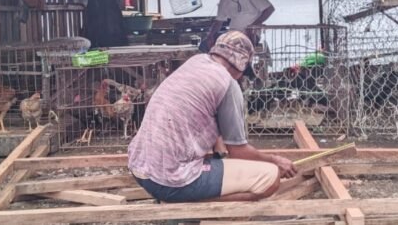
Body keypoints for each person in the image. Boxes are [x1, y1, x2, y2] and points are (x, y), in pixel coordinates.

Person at [127, 31, 297, 203]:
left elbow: (203, 114)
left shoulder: (196, 62)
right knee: (269, 177)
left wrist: (219, 149)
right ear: (240, 66)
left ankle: (184, 198)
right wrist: (275, 161)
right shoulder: (228, 84)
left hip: (140, 167)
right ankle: (188, 205)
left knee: (217, 161)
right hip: (170, 180)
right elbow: (239, 152)